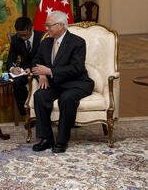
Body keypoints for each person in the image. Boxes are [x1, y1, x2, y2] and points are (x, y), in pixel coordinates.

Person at [31, 11, 94, 153]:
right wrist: (42, 76)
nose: (46, 28)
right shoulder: (46, 42)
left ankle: (62, 140)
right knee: (39, 96)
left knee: (66, 98)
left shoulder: (77, 42)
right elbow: (35, 62)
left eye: (49, 25)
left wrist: (50, 72)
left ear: (60, 25)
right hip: (55, 84)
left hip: (76, 83)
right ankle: (46, 138)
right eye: (46, 25)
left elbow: (76, 68)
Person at [6, 17, 44, 118]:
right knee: (16, 82)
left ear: (32, 28)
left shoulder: (43, 37)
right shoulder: (15, 39)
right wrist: (12, 68)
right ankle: (27, 115)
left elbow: (45, 58)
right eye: (20, 35)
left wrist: (32, 69)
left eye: (25, 35)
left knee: (43, 84)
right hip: (24, 70)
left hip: (40, 68)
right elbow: (10, 60)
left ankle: (41, 114)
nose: (22, 38)